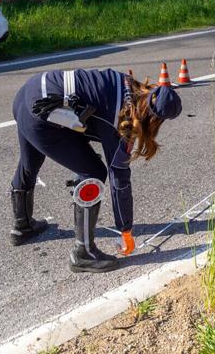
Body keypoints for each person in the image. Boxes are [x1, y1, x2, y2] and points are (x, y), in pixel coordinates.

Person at [9, 68, 182, 273]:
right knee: (93, 172)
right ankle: (84, 254)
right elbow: (119, 179)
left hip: (29, 92)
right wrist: (125, 231)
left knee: (30, 161)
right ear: (155, 120)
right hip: (43, 112)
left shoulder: (126, 81)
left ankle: (22, 225)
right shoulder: (124, 120)